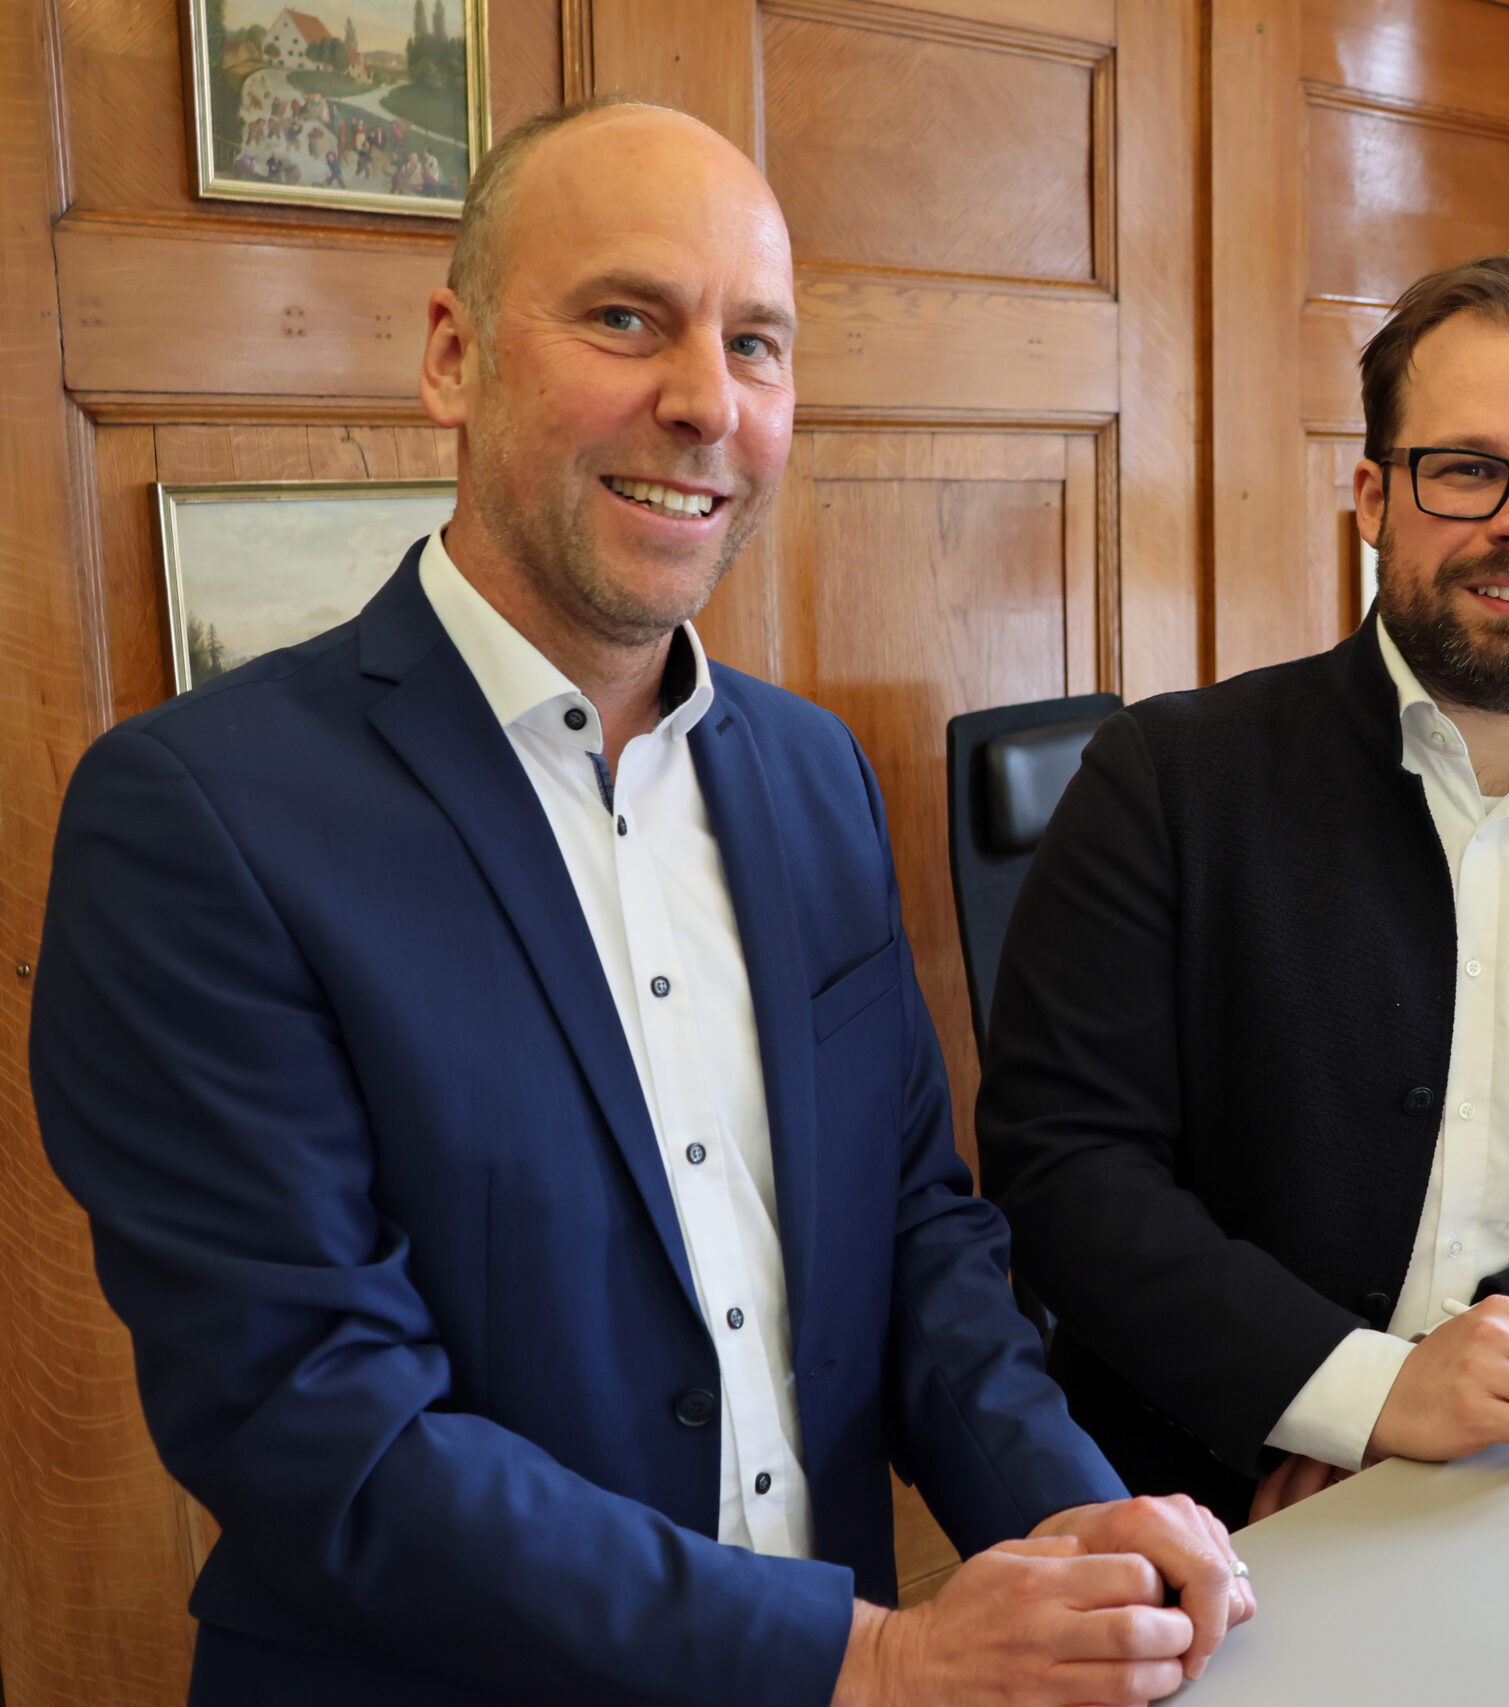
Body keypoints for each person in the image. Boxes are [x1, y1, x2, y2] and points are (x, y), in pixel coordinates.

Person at [32, 98, 1248, 1706]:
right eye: (627, 320)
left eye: (758, 344)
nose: (705, 404)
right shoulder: (196, 815)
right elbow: (317, 1419)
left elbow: (914, 1232)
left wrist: (1077, 1515)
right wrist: (869, 1658)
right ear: (454, 358)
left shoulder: (812, 773)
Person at [979, 254, 1509, 1527]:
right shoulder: (1164, 781)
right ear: (1374, 495)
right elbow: (1067, 1172)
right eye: (1469, 468)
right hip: (1208, 1484)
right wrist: (1359, 1393)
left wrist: (1473, 1388)